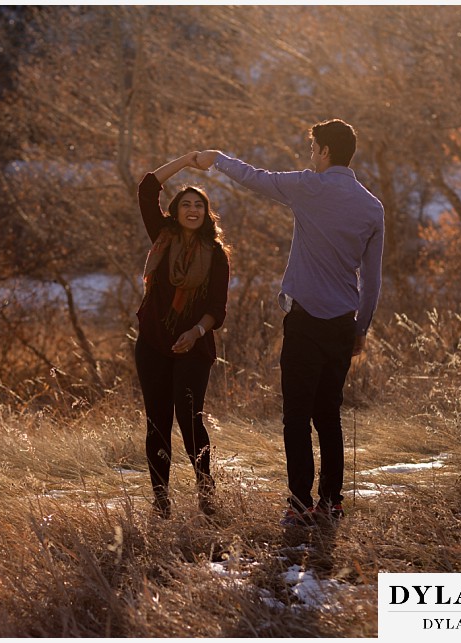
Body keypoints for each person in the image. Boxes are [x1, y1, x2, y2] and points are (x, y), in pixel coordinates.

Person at [192, 119, 384, 527]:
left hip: (305, 321)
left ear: (326, 151)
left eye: (313, 148)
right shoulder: (372, 207)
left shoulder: (307, 186)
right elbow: (373, 278)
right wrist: (361, 328)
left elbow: (255, 178)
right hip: (342, 323)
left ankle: (300, 504)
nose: (310, 155)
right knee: (328, 415)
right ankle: (331, 502)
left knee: (296, 416)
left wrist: (218, 160)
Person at [135, 152, 231, 518]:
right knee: (157, 422)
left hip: (194, 345)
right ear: (175, 212)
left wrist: (195, 332)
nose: (192, 209)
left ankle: (206, 494)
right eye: (186, 204)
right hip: (153, 344)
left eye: (199, 206)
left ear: (206, 215)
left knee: (190, 420)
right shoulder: (162, 237)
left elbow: (217, 310)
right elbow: (147, 188)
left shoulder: (216, 255)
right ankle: (161, 502)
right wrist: (187, 162)